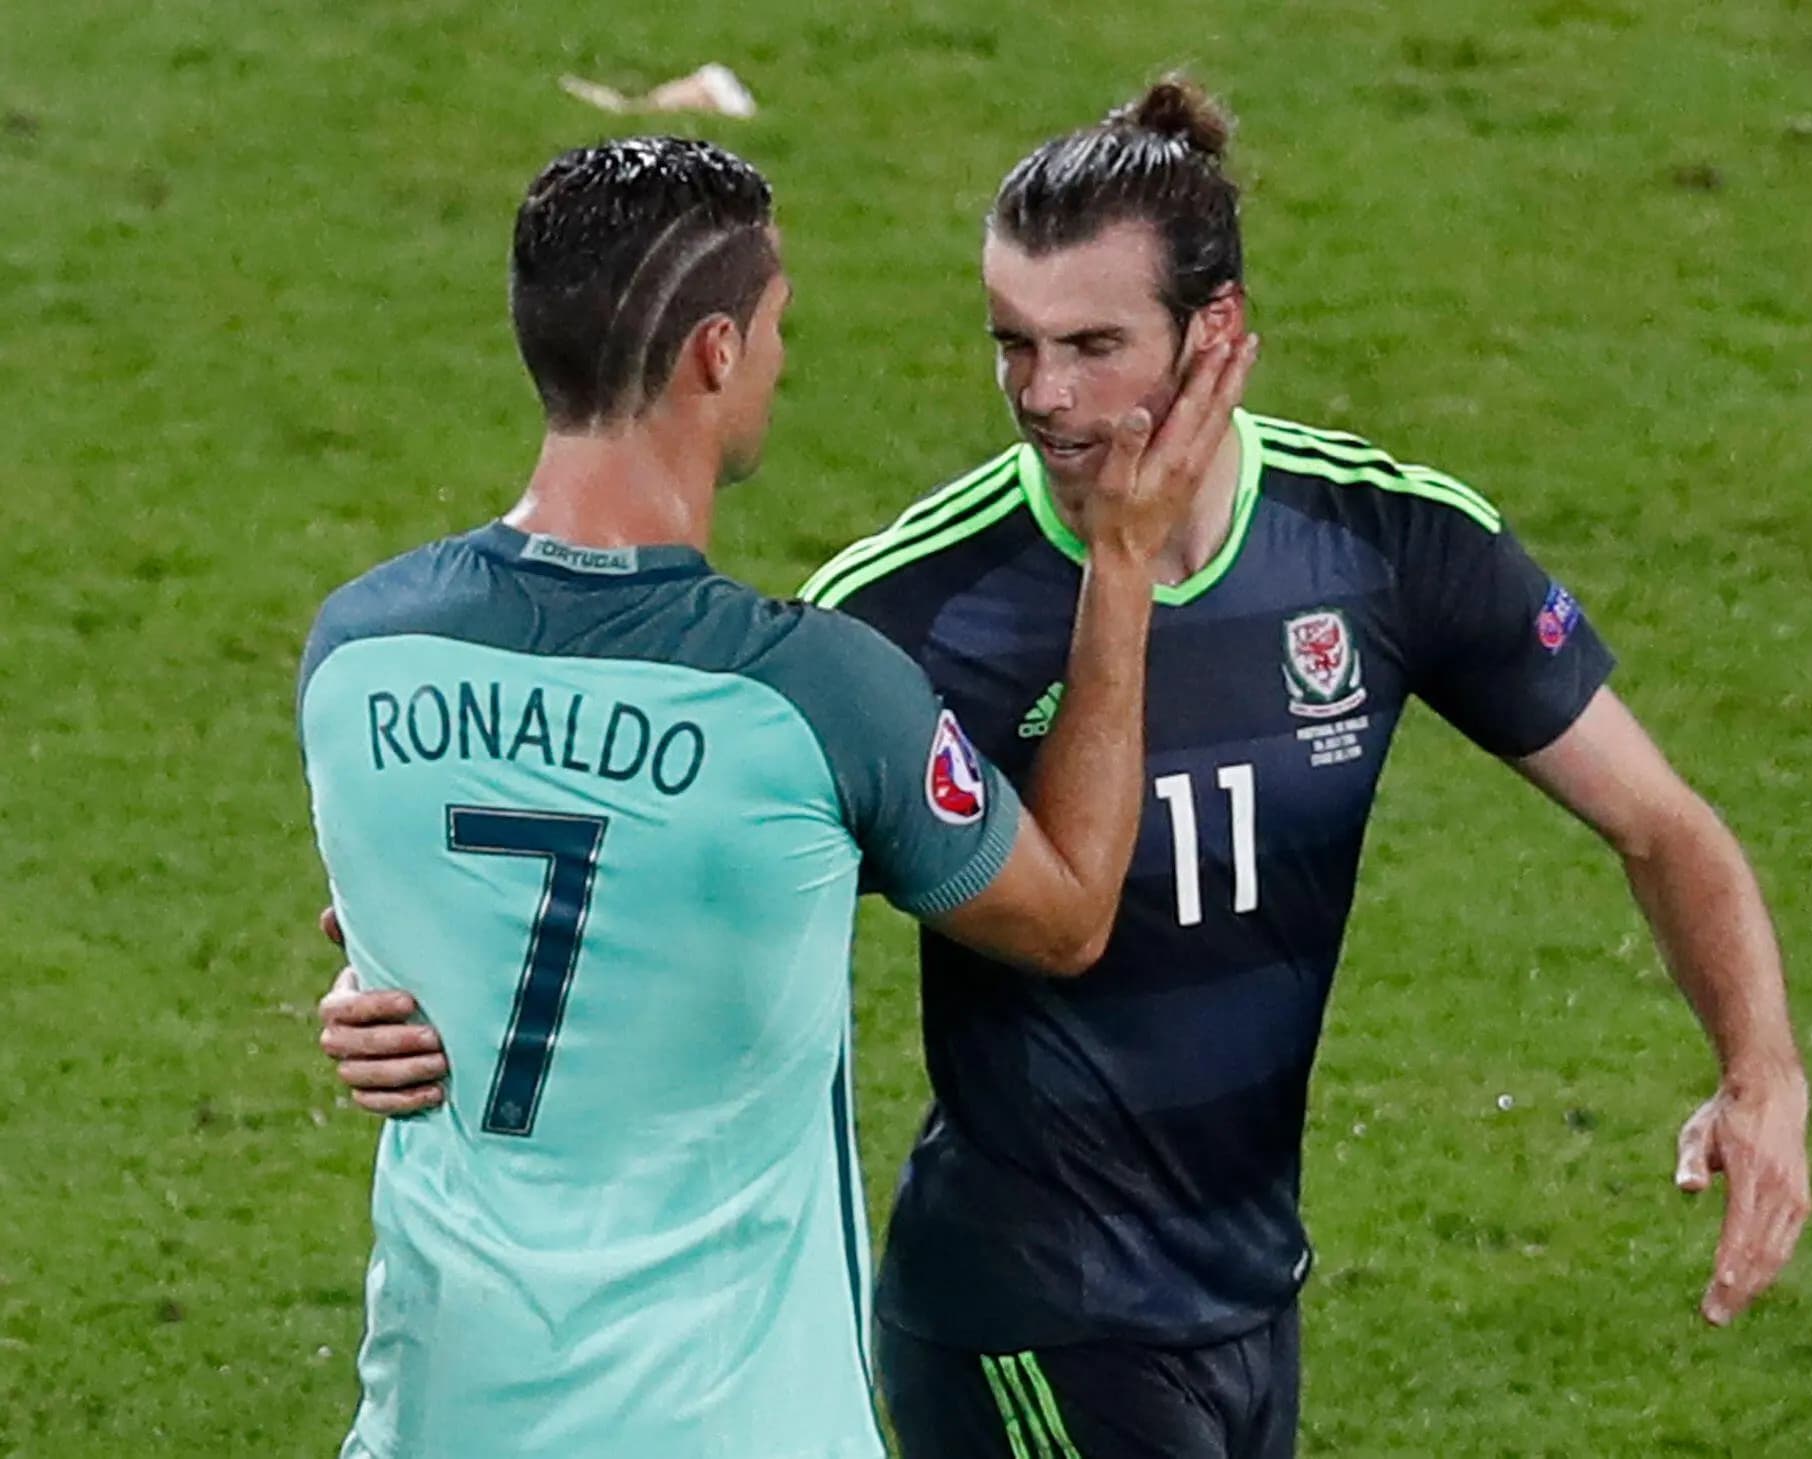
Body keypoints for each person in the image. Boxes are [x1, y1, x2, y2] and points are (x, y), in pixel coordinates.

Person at [320, 83, 1811, 1459]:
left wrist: (1761, 1073)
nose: (1041, 392)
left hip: (1244, 1289)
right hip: (1025, 1311)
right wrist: (395, 968)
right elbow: (645, 856)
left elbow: (1658, 821)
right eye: (1012, 343)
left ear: (1214, 331)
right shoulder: (897, 612)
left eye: (1092, 345)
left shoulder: (1381, 543)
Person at [299, 133, 1251, 1459]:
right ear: (714, 354)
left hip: (437, 1415)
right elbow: (1067, 917)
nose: (784, 361)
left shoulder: (358, 658)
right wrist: (1123, 568)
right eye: (776, 324)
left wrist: (365, 994)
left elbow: (423, 921)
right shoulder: (815, 701)